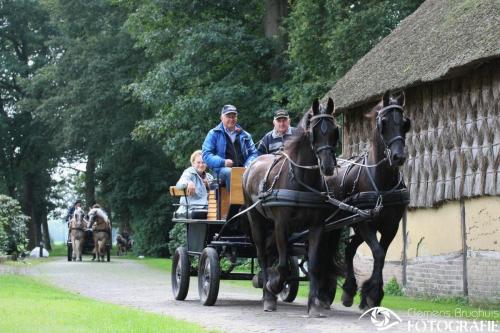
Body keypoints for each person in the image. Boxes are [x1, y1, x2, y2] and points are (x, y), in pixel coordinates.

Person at [202, 104, 258, 190]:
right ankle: (236, 203)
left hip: (244, 170)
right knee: (230, 172)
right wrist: (223, 162)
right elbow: (206, 155)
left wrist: (248, 165)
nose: (231, 119)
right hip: (220, 171)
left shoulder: (245, 135)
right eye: (228, 116)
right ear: (221, 117)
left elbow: (254, 154)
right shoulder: (213, 133)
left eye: (234, 116)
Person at [175, 150, 214, 217]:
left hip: (209, 207)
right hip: (192, 207)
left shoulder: (209, 177)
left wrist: (209, 185)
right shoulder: (189, 172)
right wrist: (188, 182)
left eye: (203, 162)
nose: (201, 165)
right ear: (193, 163)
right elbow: (179, 184)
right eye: (198, 162)